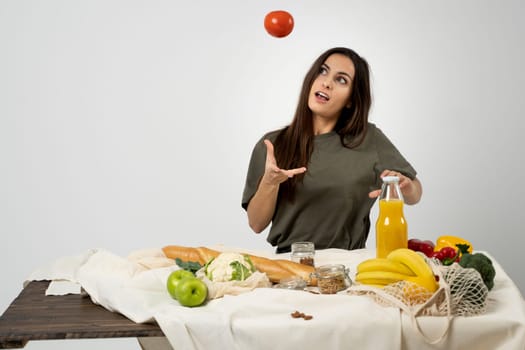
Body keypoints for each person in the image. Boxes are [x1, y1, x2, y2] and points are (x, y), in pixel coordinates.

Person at [241, 47, 422, 253]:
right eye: (323, 71)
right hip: (289, 266)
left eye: (341, 80)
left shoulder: (368, 139)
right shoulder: (273, 144)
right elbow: (256, 224)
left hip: (348, 266)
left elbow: (415, 193)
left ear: (352, 99)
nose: (326, 82)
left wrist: (406, 188)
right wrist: (269, 182)